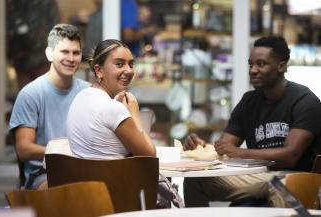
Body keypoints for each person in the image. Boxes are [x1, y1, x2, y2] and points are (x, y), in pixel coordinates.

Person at [183, 36, 321, 207]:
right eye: (251, 64)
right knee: (195, 181)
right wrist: (201, 147)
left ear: (282, 66)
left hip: (297, 177)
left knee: (279, 186)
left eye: (261, 64)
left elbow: (290, 156)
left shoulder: (305, 101)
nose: (253, 70)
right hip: (260, 176)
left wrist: (240, 153)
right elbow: (225, 146)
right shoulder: (249, 101)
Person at [9, 24, 90, 190]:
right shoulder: (31, 93)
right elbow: (23, 149)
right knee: (71, 189)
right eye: (64, 52)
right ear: (49, 53)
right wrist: (63, 153)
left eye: (76, 53)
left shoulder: (88, 92)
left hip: (83, 169)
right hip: (43, 174)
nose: (71, 58)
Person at [67, 39, 156, 159]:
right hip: (113, 178)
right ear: (99, 70)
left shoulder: (80, 97)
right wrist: (134, 114)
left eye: (131, 64)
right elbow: (149, 157)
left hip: (81, 177)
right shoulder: (113, 109)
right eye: (119, 64)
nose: (129, 71)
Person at [6, 0, 60, 89]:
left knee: (34, 95)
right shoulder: (12, 4)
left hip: (34, 56)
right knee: (37, 95)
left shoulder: (12, 3)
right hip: (26, 56)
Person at [83, 0, 157, 57]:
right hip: (123, 59)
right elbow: (129, 36)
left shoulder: (108, 4)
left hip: (96, 59)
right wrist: (147, 31)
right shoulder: (126, 3)